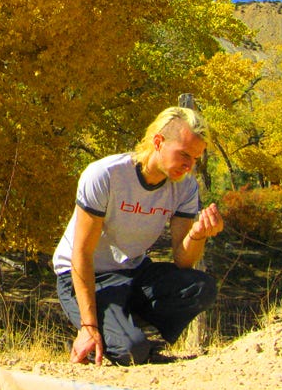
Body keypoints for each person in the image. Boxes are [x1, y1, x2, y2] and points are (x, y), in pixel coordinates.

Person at [52, 106, 224, 366]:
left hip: (132, 272)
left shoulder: (186, 187)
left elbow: (183, 262)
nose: (189, 166)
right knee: (132, 352)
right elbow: (81, 253)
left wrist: (198, 235)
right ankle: (107, 335)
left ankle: (127, 331)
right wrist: (89, 325)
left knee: (202, 288)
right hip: (83, 274)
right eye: (184, 155)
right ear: (158, 142)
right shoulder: (105, 175)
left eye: (196, 159)